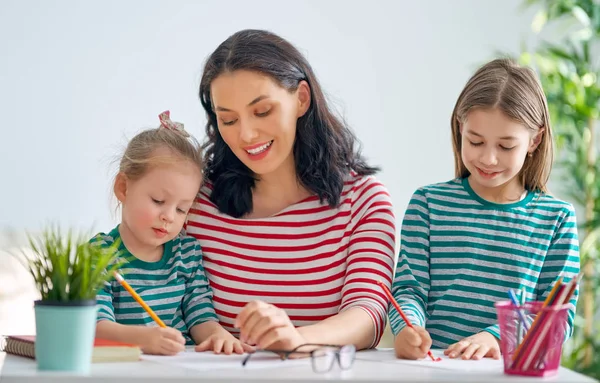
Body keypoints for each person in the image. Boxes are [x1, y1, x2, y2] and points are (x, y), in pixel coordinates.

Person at [185, 29, 396, 352]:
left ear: (301, 98)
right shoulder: (195, 203)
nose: (247, 134)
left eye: (262, 111)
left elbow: (368, 315)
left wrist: (298, 337)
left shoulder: (363, 200)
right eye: (228, 120)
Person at [390, 58, 580, 361]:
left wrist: (496, 336)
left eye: (506, 146)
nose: (489, 159)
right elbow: (409, 291)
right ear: (460, 127)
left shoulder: (556, 219)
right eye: (476, 141)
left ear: (535, 140)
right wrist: (408, 327)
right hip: (435, 368)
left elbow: (557, 318)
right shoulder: (428, 204)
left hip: (508, 373)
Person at [93, 111, 251, 355]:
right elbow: (94, 326)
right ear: (123, 188)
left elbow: (200, 316)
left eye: (181, 209)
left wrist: (218, 335)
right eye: (158, 201)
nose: (169, 216)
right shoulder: (100, 253)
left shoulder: (186, 254)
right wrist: (144, 338)